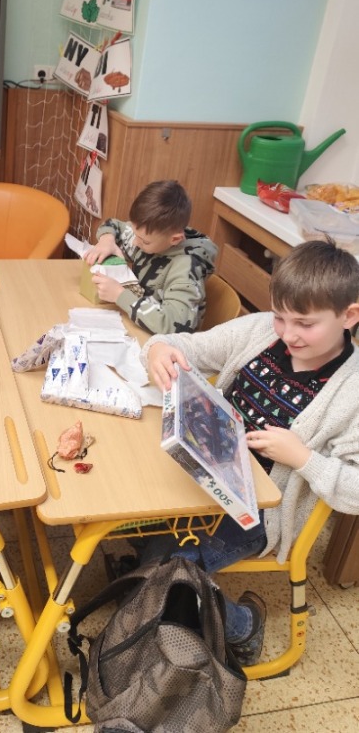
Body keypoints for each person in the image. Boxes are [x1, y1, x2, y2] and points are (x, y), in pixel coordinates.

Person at [137, 239, 359, 664]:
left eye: (304, 323)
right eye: (280, 316)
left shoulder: (351, 391)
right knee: (134, 526)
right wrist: (160, 351)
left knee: (167, 576)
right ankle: (150, 566)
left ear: (349, 316)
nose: (288, 334)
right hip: (204, 477)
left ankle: (243, 626)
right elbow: (182, 345)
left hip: (258, 514)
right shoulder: (260, 332)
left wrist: (303, 458)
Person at [85, 179, 217, 334]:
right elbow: (113, 224)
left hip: (167, 343)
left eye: (144, 241)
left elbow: (173, 325)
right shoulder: (152, 233)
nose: (135, 242)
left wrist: (120, 295)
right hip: (139, 327)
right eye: (135, 234)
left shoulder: (186, 268)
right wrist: (107, 239)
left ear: (175, 239)